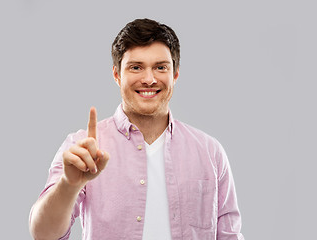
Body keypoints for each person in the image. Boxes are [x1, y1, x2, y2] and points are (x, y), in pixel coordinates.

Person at [29, 18, 244, 240]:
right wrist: (69, 185)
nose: (149, 79)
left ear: (175, 74)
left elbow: (230, 235)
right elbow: (43, 234)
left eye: (161, 67)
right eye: (136, 67)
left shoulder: (210, 152)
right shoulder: (82, 149)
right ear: (117, 75)